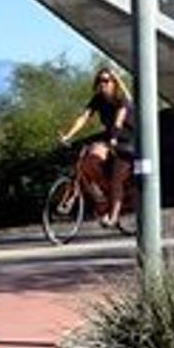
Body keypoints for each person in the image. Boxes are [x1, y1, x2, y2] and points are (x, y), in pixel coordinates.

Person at [56, 67, 135, 228]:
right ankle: (103, 196)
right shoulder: (98, 99)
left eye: (106, 80)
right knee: (90, 157)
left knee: (116, 180)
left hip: (128, 141)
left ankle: (112, 217)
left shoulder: (122, 99)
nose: (102, 84)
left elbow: (118, 122)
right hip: (110, 139)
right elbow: (84, 117)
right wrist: (68, 135)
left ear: (114, 83)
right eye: (99, 80)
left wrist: (113, 138)